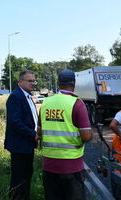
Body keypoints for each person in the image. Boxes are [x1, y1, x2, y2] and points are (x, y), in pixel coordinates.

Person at [37, 69, 92, 200]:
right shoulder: (77, 104)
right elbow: (86, 136)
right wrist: (91, 135)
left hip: (49, 164)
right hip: (71, 166)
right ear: (74, 83)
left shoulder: (46, 103)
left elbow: (39, 132)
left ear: (59, 82)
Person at [4, 70, 39, 200]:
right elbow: (15, 122)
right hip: (19, 145)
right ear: (20, 82)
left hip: (27, 144)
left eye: (34, 81)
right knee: (19, 180)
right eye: (29, 81)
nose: (33, 83)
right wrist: (33, 134)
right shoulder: (16, 96)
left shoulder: (27, 96)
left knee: (26, 176)